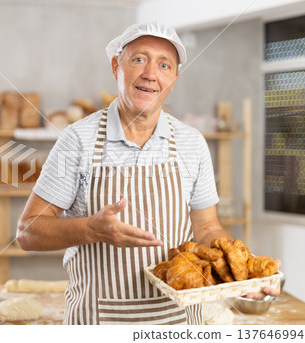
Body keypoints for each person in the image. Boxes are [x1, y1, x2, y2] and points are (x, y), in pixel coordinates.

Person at [17, 22, 279, 325]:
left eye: (164, 65)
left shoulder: (191, 143)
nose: (151, 74)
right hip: (98, 321)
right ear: (116, 66)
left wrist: (245, 272)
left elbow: (206, 229)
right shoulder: (78, 140)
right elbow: (27, 232)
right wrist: (90, 229)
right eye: (139, 59)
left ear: (174, 79)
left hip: (178, 323)